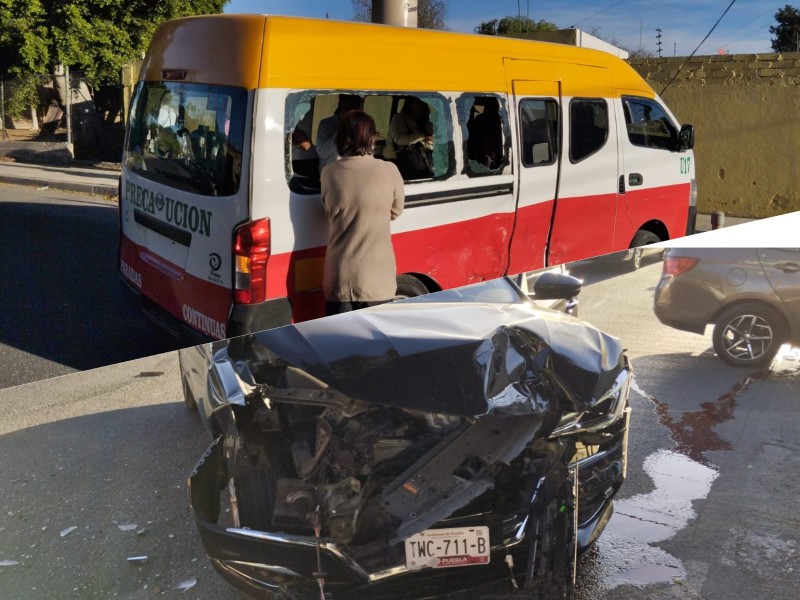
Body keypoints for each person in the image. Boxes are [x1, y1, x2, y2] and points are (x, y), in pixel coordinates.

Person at [320, 110, 405, 316]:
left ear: (340, 138)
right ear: (372, 137)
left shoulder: (329, 172)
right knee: (376, 345)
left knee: (340, 345)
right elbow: (396, 210)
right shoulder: (390, 170)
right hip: (377, 278)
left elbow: (329, 210)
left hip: (339, 278)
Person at [386, 96, 434, 179]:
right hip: (402, 163)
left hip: (423, 163)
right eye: (418, 101)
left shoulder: (425, 121)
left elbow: (431, 144)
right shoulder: (399, 118)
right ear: (409, 104)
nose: (421, 103)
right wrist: (423, 137)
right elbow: (399, 139)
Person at [315, 94, 363, 172]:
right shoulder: (326, 124)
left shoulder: (362, 126)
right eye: (348, 106)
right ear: (341, 106)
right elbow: (322, 152)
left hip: (354, 173)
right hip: (330, 174)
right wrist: (342, 128)